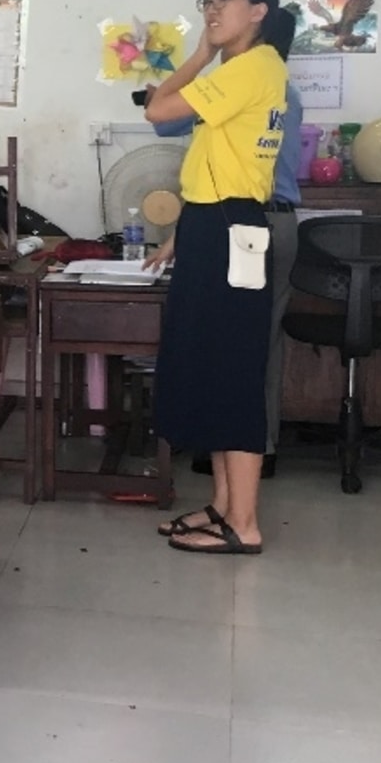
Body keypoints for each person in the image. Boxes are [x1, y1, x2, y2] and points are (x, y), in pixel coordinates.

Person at [144, 0, 295, 556]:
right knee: (212, 366)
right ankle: (225, 507)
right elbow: (218, 167)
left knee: (232, 373)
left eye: (226, 0)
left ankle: (245, 523)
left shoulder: (252, 66)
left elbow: (158, 109)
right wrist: (185, 232)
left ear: (258, 11)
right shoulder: (246, 71)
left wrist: (200, 52)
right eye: (207, 0)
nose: (212, 10)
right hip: (215, 223)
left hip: (234, 229)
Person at [149, 50, 304, 479]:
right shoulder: (284, 91)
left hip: (241, 223)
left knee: (231, 347)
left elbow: (161, 116)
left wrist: (192, 71)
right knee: (257, 341)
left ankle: (233, 446)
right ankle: (255, 447)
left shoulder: (236, 85)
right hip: (271, 219)